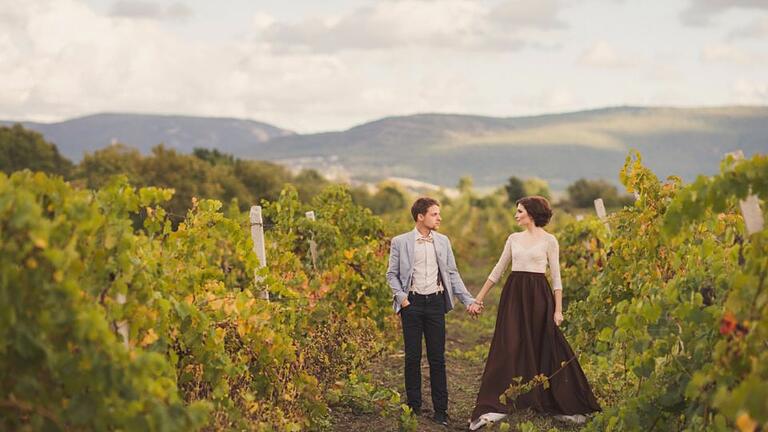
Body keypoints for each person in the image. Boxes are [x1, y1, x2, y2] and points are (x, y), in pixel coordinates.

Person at [469, 196, 601, 430]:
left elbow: (557, 279)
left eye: (519, 211)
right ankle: (500, 399)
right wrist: (477, 299)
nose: (516, 215)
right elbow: (498, 271)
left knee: (545, 344)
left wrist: (558, 310)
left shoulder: (550, 241)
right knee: (509, 344)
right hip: (514, 296)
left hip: (540, 296)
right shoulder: (513, 238)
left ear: (531, 213)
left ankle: (557, 398)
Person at [386, 197, 482, 427]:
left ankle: (441, 410)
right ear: (421, 216)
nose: (439, 218)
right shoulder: (400, 242)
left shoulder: (443, 242)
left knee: (437, 358)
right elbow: (391, 275)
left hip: (436, 304)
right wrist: (402, 299)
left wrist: (468, 300)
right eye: (434, 214)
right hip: (412, 304)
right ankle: (414, 405)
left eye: (439, 214)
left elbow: (452, 273)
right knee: (412, 357)